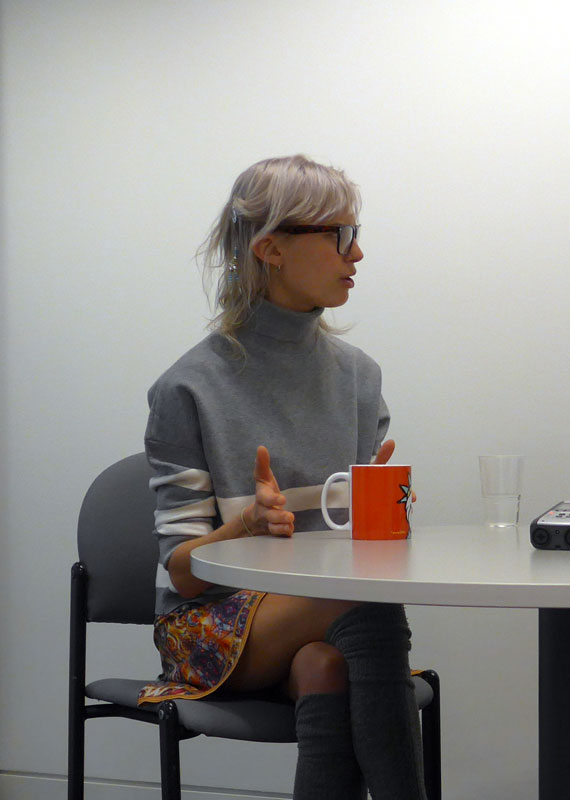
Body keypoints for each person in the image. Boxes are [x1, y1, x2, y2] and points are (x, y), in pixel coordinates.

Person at [138, 155, 425, 800]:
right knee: (366, 600)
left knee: (326, 667)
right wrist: (240, 528)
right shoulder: (187, 388)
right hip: (207, 628)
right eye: (339, 236)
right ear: (270, 248)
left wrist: (380, 512)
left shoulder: (359, 377)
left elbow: (362, 557)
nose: (358, 253)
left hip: (321, 622)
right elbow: (181, 572)